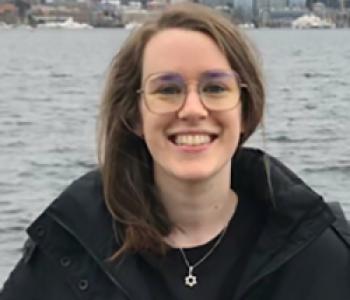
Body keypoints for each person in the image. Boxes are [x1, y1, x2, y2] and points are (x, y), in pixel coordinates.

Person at [1, 3, 349, 300]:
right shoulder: (70, 249)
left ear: (245, 109)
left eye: (215, 88)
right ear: (134, 115)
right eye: (167, 90)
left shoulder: (321, 254)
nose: (193, 110)